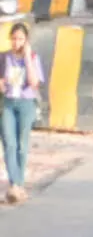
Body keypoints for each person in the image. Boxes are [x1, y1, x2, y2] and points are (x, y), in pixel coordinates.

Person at [2, 23, 43, 204]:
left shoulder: (33, 57)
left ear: (26, 41)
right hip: (8, 103)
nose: (16, 42)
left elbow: (34, 83)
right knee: (9, 143)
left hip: (26, 103)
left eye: (20, 39)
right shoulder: (4, 58)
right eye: (14, 38)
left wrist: (27, 58)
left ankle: (19, 184)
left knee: (21, 145)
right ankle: (14, 185)